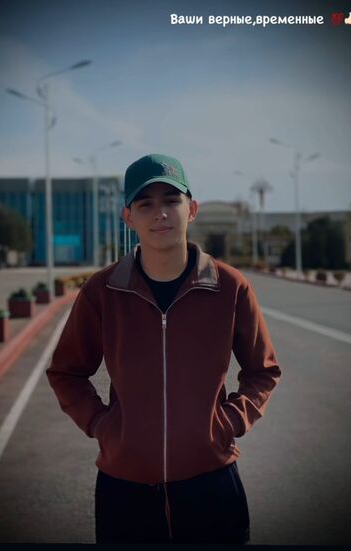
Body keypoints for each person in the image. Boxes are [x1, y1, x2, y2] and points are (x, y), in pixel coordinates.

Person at [46, 153, 282, 544]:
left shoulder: (230, 287)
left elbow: (263, 370)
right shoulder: (102, 291)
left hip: (212, 482)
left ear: (192, 210)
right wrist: (102, 425)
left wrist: (228, 422)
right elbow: (66, 372)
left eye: (172, 200)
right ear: (128, 217)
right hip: (124, 488)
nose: (160, 213)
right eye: (145, 204)